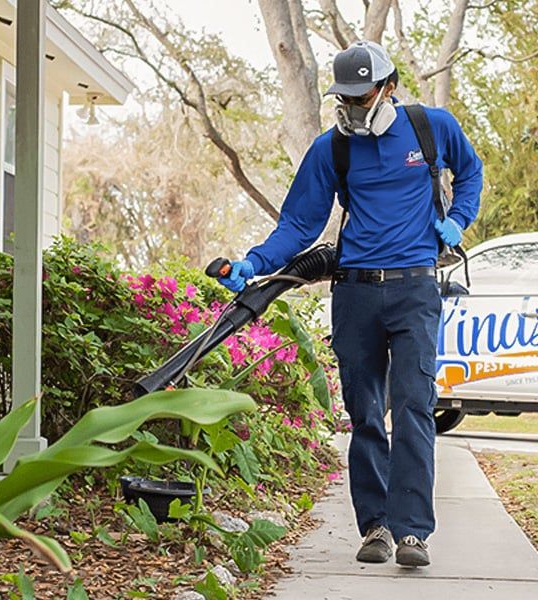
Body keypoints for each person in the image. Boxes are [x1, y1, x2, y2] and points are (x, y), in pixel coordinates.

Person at [218, 40, 482, 567]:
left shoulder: (431, 127)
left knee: (412, 407)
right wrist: (255, 260)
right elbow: (298, 222)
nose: (355, 107)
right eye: (347, 97)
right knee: (364, 412)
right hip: (356, 292)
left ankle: (412, 533)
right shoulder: (331, 149)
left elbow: (470, 174)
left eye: (364, 96)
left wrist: (458, 219)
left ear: (388, 88)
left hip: (415, 290)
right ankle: (376, 527)